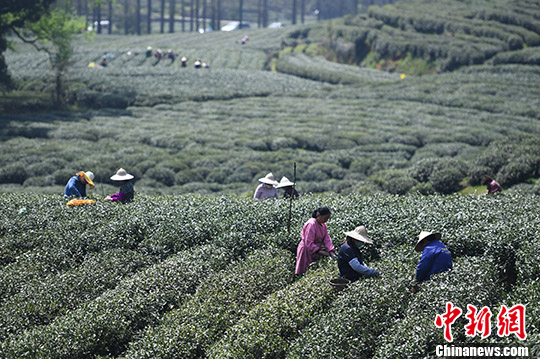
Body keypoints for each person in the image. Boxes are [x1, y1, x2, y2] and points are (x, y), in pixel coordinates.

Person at [295, 206, 336, 276]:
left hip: (315, 250)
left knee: (313, 271)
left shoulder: (323, 225)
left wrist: (330, 251)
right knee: (304, 270)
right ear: (319, 215)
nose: (326, 220)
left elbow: (327, 239)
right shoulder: (311, 224)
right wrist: (320, 251)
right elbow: (308, 242)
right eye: (325, 218)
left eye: (328, 218)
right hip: (306, 250)